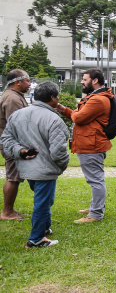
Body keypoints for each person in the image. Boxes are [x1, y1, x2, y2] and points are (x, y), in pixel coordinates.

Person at [1, 81, 69, 248]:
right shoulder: (54, 119)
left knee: (45, 199)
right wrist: (62, 165)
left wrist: (20, 151)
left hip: (26, 167)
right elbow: (58, 152)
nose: (58, 99)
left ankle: (45, 228)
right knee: (43, 202)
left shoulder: (17, 115)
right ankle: (36, 239)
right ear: (52, 98)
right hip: (45, 169)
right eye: (57, 96)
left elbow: (6, 139)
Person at [55, 69, 112, 224]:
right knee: (95, 179)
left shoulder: (97, 100)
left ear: (94, 81)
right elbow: (79, 114)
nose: (82, 81)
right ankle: (95, 206)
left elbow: (79, 117)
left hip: (91, 145)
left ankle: (96, 213)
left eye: (84, 79)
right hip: (90, 143)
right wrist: (64, 110)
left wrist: (71, 113)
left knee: (95, 180)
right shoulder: (96, 97)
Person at [1, 69, 31, 220]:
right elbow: (16, 125)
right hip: (12, 145)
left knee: (14, 177)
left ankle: (10, 210)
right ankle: (7, 213)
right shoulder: (12, 98)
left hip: (12, 144)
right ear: (18, 81)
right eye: (27, 81)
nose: (30, 84)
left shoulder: (14, 96)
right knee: (13, 177)